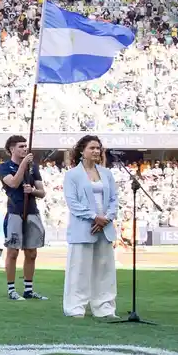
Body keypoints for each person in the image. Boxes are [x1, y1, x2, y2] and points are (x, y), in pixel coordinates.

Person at [62, 135, 118, 318]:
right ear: (82, 151)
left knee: (105, 270)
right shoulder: (72, 175)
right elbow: (73, 203)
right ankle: (75, 307)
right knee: (79, 269)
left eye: (98, 148)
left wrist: (106, 219)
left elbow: (114, 200)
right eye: (92, 148)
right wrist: (94, 217)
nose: (96, 151)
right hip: (83, 227)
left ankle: (104, 307)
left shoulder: (107, 173)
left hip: (105, 227)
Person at [0, 134, 47, 301]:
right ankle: (11, 289)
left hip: (32, 211)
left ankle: (28, 289)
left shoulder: (34, 168)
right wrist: (24, 164)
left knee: (31, 252)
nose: (25, 149)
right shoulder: (4, 167)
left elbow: (42, 192)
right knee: (12, 252)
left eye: (26, 146)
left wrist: (32, 191)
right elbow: (13, 183)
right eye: (21, 146)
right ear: (12, 149)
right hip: (15, 212)